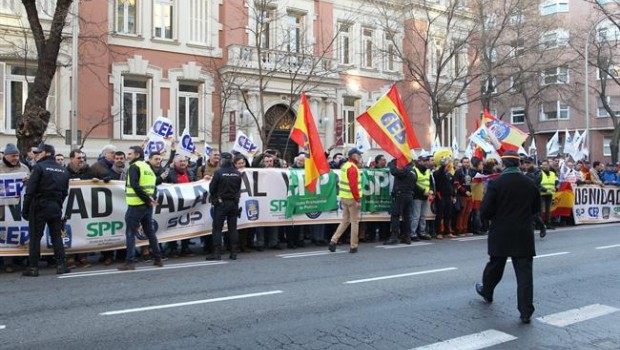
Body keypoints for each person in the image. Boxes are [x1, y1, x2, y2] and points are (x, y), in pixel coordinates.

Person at [475, 150, 541, 324]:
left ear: (503, 165)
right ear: (519, 164)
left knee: (495, 265)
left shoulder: (497, 183)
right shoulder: (530, 183)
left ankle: (487, 290)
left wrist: (490, 219)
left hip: (501, 232)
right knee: (524, 274)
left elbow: (485, 210)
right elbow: (535, 208)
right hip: (523, 233)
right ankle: (526, 311)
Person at [21, 144, 71, 276]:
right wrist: (58, 205)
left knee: (35, 237)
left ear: (47, 153)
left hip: (39, 205)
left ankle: (33, 267)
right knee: (56, 237)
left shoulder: (38, 168)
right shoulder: (63, 170)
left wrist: (25, 209)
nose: (36, 154)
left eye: (39, 152)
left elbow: (30, 191)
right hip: (55, 206)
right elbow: (65, 192)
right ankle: (61, 265)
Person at [118, 146, 164, 271]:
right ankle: (158, 259)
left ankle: (130, 262)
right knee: (150, 232)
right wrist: (150, 199)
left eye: (130, 154)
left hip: (136, 205)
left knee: (130, 233)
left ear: (137, 154)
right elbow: (152, 186)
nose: (128, 156)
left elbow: (135, 185)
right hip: (147, 206)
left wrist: (147, 199)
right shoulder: (148, 167)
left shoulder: (135, 167)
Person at [0, 143, 30, 273]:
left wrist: (27, 181)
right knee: (5, 233)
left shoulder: (24, 168)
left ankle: (20, 259)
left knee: (19, 231)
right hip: (3, 207)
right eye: (13, 156)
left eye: (17, 155)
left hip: (19, 205)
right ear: (6, 156)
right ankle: (7, 262)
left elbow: (31, 183)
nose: (16, 158)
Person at [206, 152, 242, 261]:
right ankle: (234, 253)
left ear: (222, 160)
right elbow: (238, 188)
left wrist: (216, 197)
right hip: (234, 204)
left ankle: (217, 253)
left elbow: (212, 189)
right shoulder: (237, 173)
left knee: (217, 229)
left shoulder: (218, 173)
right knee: (233, 229)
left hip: (221, 204)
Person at [328, 148, 363, 253]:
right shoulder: (352, 168)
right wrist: (357, 200)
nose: (360, 156)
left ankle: (333, 241)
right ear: (353, 155)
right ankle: (353, 246)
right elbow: (353, 185)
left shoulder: (346, 166)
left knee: (345, 221)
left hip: (344, 197)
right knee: (354, 222)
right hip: (352, 198)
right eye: (358, 154)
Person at [384, 158, 417, 245]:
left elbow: (394, 171)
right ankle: (407, 237)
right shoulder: (413, 171)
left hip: (400, 195)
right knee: (407, 217)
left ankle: (394, 237)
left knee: (395, 216)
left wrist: (393, 162)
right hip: (409, 195)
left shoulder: (405, 170)